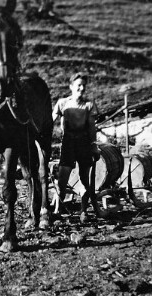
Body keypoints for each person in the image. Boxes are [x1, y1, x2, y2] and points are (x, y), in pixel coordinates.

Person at [52, 72, 100, 221]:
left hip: (83, 144)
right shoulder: (62, 103)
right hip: (67, 143)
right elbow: (51, 121)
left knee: (84, 179)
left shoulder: (89, 105)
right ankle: (57, 210)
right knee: (62, 179)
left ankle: (83, 211)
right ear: (71, 86)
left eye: (84, 86)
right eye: (79, 85)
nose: (81, 88)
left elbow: (92, 128)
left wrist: (94, 146)